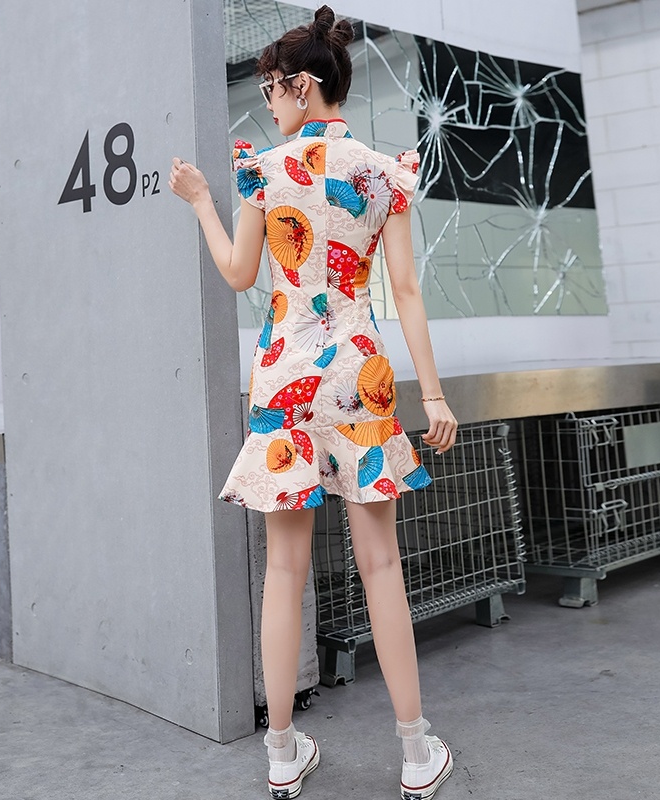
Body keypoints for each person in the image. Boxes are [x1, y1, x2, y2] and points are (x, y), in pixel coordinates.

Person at [169, 6, 458, 798]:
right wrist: (433, 394)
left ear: (303, 85)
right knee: (382, 563)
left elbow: (239, 274)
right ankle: (415, 752)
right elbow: (405, 290)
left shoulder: (263, 171)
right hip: (358, 374)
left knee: (284, 567)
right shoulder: (383, 173)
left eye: (272, 88)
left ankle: (282, 752)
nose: (267, 102)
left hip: (282, 375)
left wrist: (201, 201)